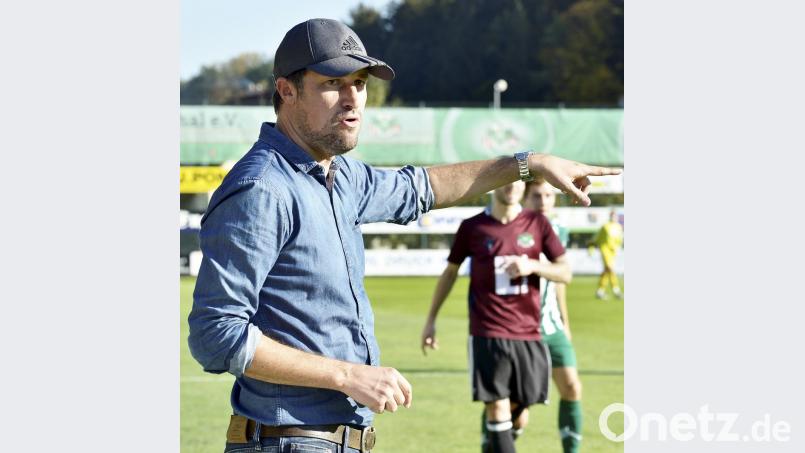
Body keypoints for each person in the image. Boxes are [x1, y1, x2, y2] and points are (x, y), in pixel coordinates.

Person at [187, 18, 620, 453]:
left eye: (359, 83)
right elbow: (215, 333)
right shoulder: (263, 188)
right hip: (288, 441)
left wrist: (528, 164)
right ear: (286, 91)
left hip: (335, 441)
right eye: (334, 83)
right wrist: (346, 374)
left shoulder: (340, 175)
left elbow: (423, 187)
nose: (353, 98)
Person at [421, 179, 571, 453]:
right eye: (504, 181)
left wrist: (532, 265)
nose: (511, 187)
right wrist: (431, 320)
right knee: (497, 405)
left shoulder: (537, 224)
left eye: (516, 183)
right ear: (493, 186)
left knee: (519, 409)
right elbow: (450, 272)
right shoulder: (473, 227)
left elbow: (565, 272)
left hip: (528, 331)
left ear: (523, 188)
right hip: (487, 331)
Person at [524, 178, 584, 453]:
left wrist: (565, 322)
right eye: (537, 196)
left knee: (572, 387)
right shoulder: (514, 230)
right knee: (515, 405)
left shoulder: (560, 230)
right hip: (519, 330)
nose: (544, 201)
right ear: (525, 198)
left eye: (549, 196)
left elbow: (559, 281)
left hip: (552, 327)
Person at [589, 209, 624, 300]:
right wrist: (591, 247)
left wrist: (618, 247)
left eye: (615, 216)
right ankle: (616, 290)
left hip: (613, 252)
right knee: (610, 269)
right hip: (605, 250)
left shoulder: (619, 227)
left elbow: (619, 240)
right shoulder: (605, 226)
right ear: (610, 216)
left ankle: (600, 291)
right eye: (612, 216)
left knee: (606, 270)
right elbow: (597, 238)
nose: (614, 217)